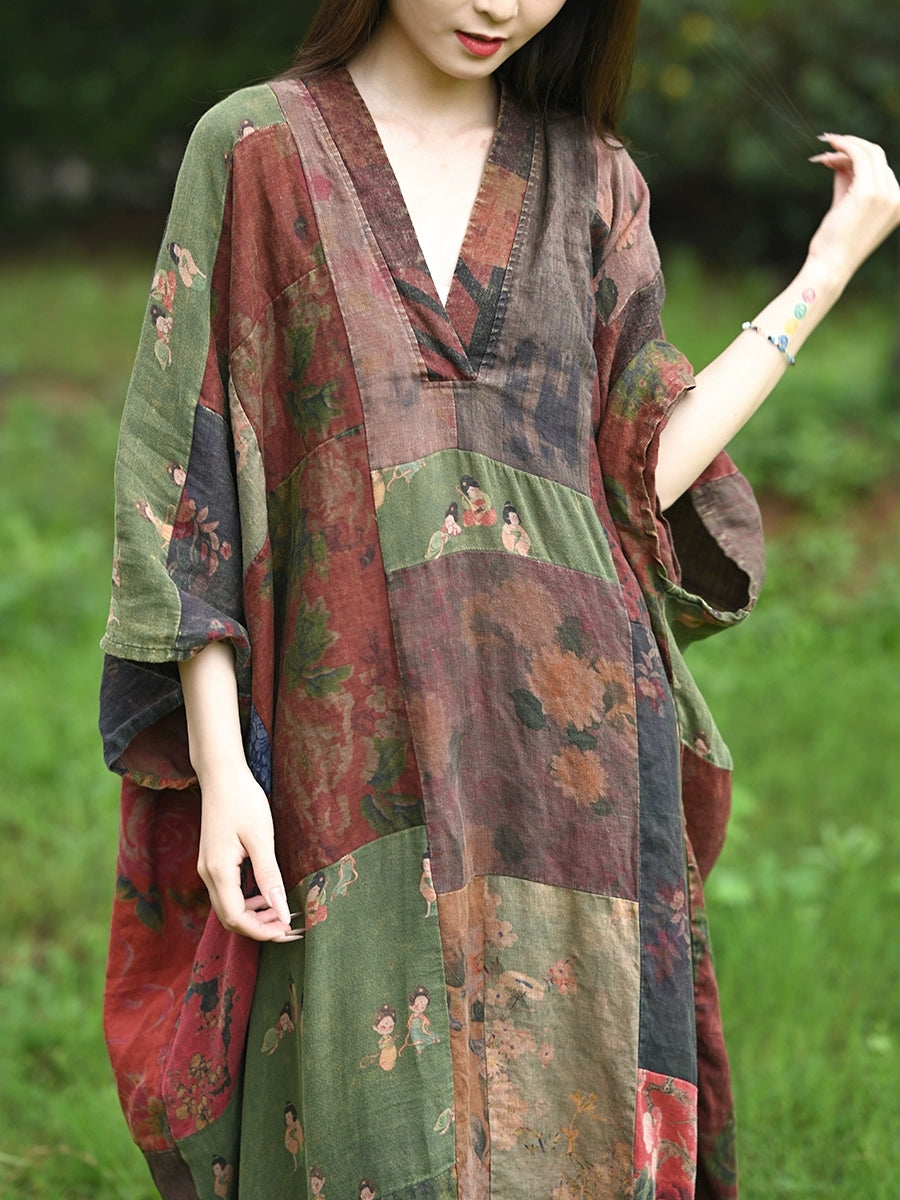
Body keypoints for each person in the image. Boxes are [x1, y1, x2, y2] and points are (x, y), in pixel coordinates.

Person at [98, 0, 899, 1197]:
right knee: (367, 1129)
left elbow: (637, 472)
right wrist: (224, 773)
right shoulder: (257, 148)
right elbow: (186, 473)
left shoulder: (593, 177)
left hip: (573, 753)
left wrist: (829, 267)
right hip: (345, 755)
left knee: (573, 1132)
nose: (500, 6)